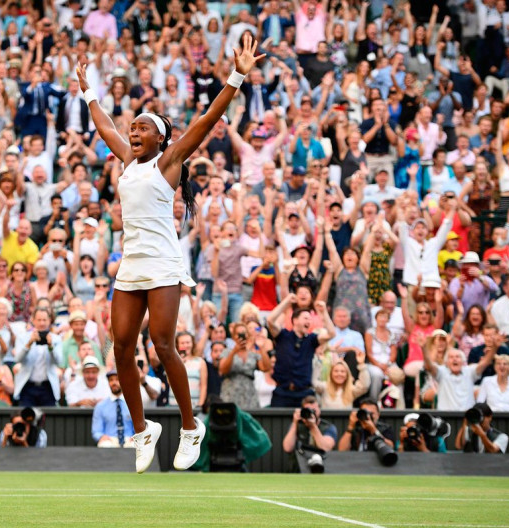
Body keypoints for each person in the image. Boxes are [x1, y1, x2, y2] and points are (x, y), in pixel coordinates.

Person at [74, 35, 263, 473]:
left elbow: (208, 119)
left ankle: (189, 425)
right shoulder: (126, 160)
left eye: (142, 128)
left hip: (162, 263)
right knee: (120, 347)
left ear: (161, 140)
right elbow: (104, 126)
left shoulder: (170, 161)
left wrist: (236, 74)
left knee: (161, 343)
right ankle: (144, 432)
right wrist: (88, 91)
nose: (133, 132)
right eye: (133, 128)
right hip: (131, 264)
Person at [267, 295, 335, 407]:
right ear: (295, 320)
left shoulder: (312, 339)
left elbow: (332, 333)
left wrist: (324, 313)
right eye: (305, 318)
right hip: (282, 392)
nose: (309, 321)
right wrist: (286, 301)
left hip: (304, 393)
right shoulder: (283, 335)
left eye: (310, 319)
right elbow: (270, 320)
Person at [14, 308, 63, 407]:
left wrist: (50, 346)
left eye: (44, 320)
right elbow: (18, 359)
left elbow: (59, 361)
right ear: (33, 320)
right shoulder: (23, 337)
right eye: (39, 320)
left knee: (49, 420)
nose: (42, 323)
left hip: (47, 387)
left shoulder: (56, 339)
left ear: (49, 321)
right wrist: (29, 343)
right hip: (28, 386)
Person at [282, 395, 337, 473]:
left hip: (322, 467)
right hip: (299, 468)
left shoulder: (328, 427)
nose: (312, 414)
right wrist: (295, 423)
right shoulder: (297, 425)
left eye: (314, 410)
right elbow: (287, 448)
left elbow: (326, 448)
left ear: (319, 410)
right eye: (308, 410)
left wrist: (313, 427)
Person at [92, 369, 135, 448]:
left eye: (117, 379)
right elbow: (96, 431)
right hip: (110, 440)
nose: (114, 383)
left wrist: (135, 437)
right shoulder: (100, 406)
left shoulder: (133, 404)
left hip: (129, 439)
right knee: (104, 445)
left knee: (136, 446)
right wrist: (101, 437)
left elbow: (139, 428)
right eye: (111, 380)